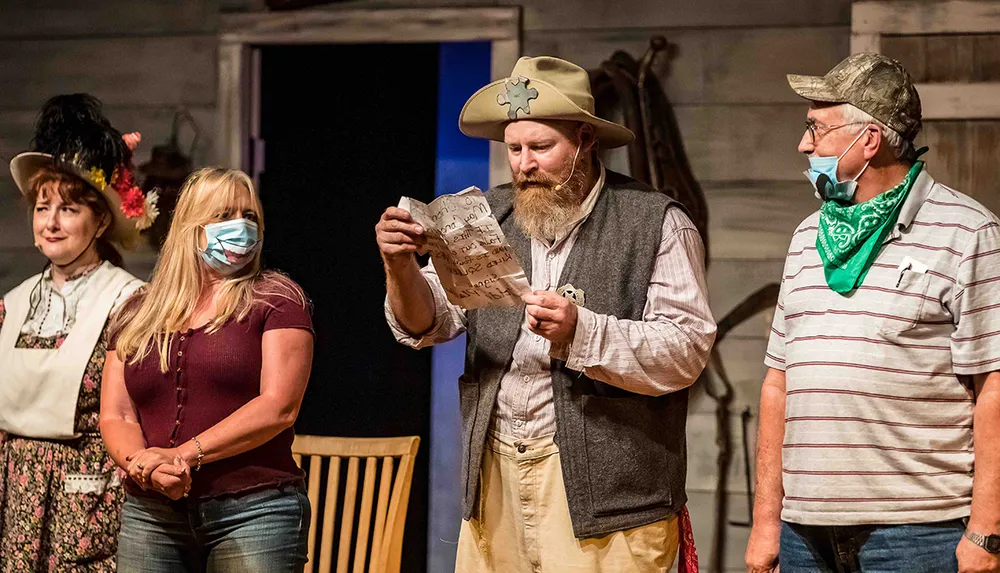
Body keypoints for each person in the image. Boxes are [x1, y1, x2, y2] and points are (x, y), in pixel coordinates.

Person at [378, 56, 716, 572]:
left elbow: (686, 351)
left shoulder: (654, 222)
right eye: (514, 149)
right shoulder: (486, 218)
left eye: (540, 147)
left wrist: (583, 331)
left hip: (608, 498)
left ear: (585, 140)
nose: (523, 165)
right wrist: (400, 266)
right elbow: (427, 324)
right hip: (495, 477)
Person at [745, 53, 1000, 573]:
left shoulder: (967, 233)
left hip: (917, 533)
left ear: (868, 140)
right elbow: (778, 383)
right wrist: (767, 520)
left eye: (816, 129)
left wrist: (987, 531)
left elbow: (994, 386)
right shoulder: (805, 237)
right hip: (803, 532)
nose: (804, 145)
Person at [100, 167, 315, 572]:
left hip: (253, 512)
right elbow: (117, 413)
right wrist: (142, 466)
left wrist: (181, 455)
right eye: (224, 216)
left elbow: (278, 407)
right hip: (152, 513)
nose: (241, 227)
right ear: (190, 226)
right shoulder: (136, 310)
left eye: (250, 217)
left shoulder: (276, 298)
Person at [0, 93, 154, 570]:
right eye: (42, 208)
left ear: (100, 219)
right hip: (14, 494)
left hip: (85, 498)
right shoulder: (14, 302)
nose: (51, 222)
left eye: (67, 209)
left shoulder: (128, 301)